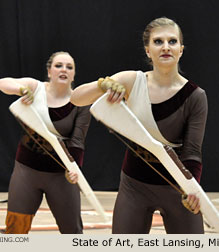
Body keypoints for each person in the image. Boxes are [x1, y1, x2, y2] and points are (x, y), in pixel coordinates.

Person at [70, 17, 207, 234]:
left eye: (172, 42)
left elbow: (192, 152)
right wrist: (102, 84)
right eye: (158, 41)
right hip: (134, 186)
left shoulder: (196, 96)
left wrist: (191, 190)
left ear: (181, 50)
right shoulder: (131, 81)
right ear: (147, 50)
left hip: (177, 187)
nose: (165, 47)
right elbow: (76, 99)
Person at [0, 51, 91, 234]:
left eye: (69, 67)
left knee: (72, 232)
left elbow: (77, 141)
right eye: (58, 65)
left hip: (61, 175)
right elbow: (2, 83)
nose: (64, 69)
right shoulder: (35, 88)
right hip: (26, 171)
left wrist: (74, 169)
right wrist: (20, 90)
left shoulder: (80, 101)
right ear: (49, 71)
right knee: (16, 229)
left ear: (73, 75)